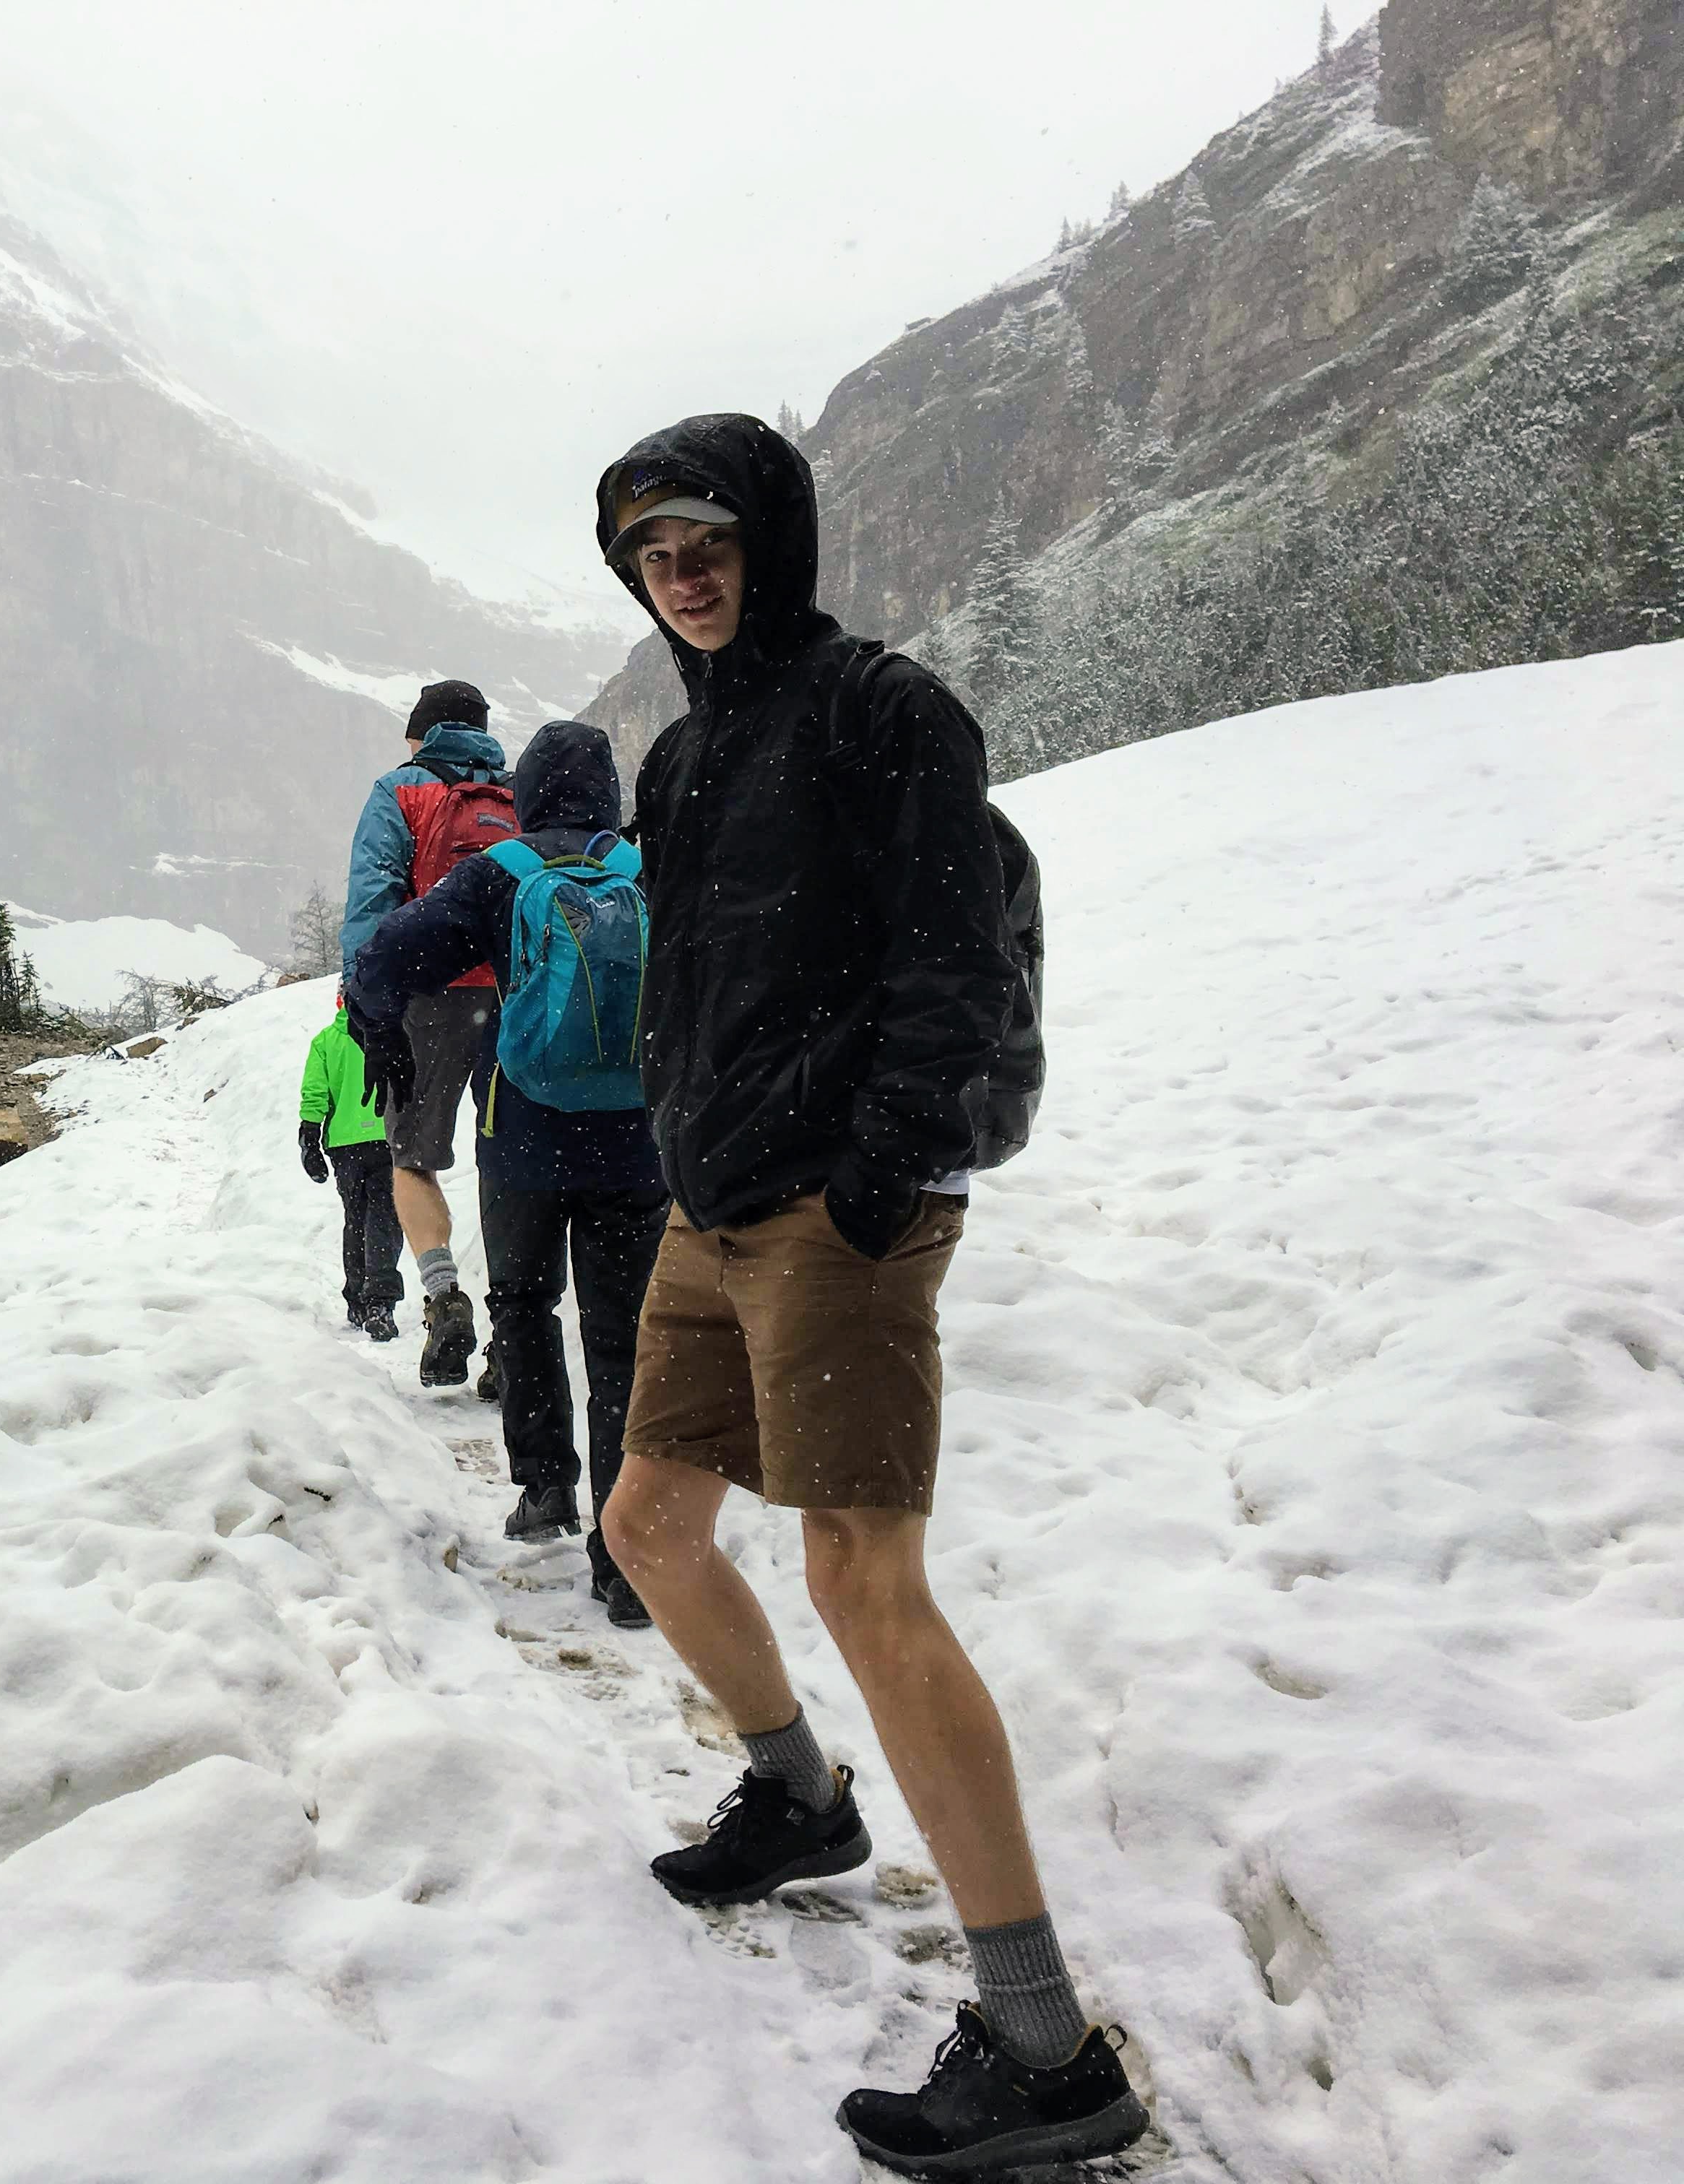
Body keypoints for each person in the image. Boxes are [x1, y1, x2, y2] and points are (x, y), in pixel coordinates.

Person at [591, 414, 1147, 2178]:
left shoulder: (882, 710)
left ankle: (1046, 2049)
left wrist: (887, 1158)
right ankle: (801, 1801)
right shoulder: (675, 766)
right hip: (714, 1197)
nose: (681, 570)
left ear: (773, 536)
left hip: (842, 1207)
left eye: (706, 536)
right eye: (648, 549)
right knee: (650, 1525)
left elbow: (952, 957)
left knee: (861, 1575)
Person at [345, 721, 666, 1629]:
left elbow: (384, 957)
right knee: (623, 1340)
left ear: (526, 790)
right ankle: (627, 1558)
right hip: (636, 1143)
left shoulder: (502, 873)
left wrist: (379, 1034)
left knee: (525, 1305)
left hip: (523, 1135)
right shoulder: (647, 873)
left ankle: (543, 1491)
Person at [339, 679, 510, 1387]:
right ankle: (515, 1330)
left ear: (422, 732)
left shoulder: (400, 790)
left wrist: (363, 1003)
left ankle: (443, 1297)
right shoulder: (517, 793)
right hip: (511, 995)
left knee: (412, 1159)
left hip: (425, 999)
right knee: (509, 1166)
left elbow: (373, 899)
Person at [297, 989, 401, 1342]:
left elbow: (315, 1092)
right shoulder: (393, 1029)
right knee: (384, 1219)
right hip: (388, 1139)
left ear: (341, 1001)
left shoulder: (326, 1041)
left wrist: (309, 1137)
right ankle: (380, 1304)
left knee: (356, 1219)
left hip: (345, 1147)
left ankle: (357, 1299)